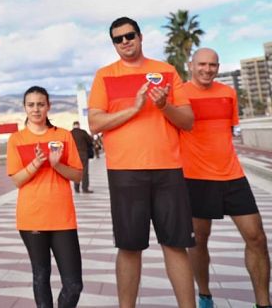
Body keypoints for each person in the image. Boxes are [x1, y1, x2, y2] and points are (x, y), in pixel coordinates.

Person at [88, 16, 196, 308]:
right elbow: (95, 123)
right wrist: (136, 108)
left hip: (168, 170)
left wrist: (164, 105)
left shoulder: (166, 71)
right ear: (113, 43)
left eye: (129, 35)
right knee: (129, 246)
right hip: (125, 173)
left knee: (176, 245)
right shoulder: (104, 75)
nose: (125, 42)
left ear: (140, 36)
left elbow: (187, 121)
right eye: (118, 38)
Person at [180, 48, 271, 308]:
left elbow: (227, 132)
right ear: (191, 65)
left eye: (213, 65)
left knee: (257, 237)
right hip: (195, 178)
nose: (207, 69)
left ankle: (263, 303)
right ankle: (205, 295)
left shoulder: (228, 93)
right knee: (199, 240)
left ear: (218, 67)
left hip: (232, 176)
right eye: (202, 64)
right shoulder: (181, 95)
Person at [7, 86, 83, 308]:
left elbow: (78, 175)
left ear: (48, 106)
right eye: (31, 105)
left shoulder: (63, 136)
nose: (36, 109)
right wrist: (35, 164)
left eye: (41, 104)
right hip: (32, 219)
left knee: (73, 284)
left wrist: (57, 165)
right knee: (41, 278)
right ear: (25, 108)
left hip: (63, 219)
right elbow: (16, 180)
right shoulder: (17, 139)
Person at [70, 121, 94, 193]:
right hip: (83, 154)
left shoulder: (70, 133)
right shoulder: (83, 132)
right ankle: (85, 188)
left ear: (73, 125)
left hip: (74, 155)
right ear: (79, 125)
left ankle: (76, 188)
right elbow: (90, 141)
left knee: (76, 170)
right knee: (85, 171)